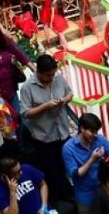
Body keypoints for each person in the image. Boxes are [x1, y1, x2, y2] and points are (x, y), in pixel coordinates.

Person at [19, 54, 75, 205]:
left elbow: (70, 93)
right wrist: (45, 106)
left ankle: (67, 192)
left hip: (62, 131)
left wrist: (64, 100)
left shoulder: (58, 78)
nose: (51, 78)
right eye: (48, 75)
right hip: (44, 136)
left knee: (64, 164)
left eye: (53, 74)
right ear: (39, 72)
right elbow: (25, 113)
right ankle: (55, 196)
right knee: (50, 168)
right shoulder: (28, 88)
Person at [63, 113, 109, 214]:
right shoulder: (68, 148)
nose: (95, 135)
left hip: (104, 191)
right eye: (92, 131)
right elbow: (75, 174)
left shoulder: (99, 139)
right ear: (82, 128)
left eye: (96, 131)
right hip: (86, 198)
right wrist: (93, 159)